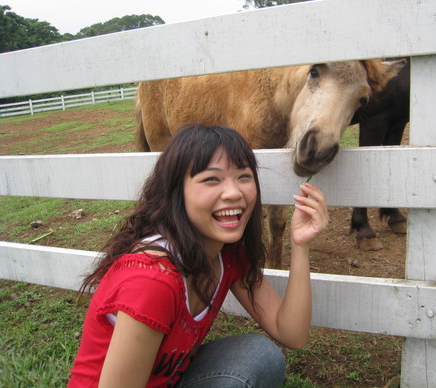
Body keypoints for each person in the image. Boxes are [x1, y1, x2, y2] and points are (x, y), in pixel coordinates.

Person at [68, 124, 329, 387]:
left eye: (244, 176)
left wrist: (300, 245)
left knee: (260, 354)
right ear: (176, 192)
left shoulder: (226, 253)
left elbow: (291, 333)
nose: (234, 193)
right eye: (211, 179)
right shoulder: (151, 281)